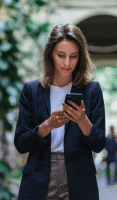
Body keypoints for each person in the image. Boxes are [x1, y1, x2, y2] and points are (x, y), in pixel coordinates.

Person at [14, 24, 106, 200]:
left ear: (80, 58)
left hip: (79, 179)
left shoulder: (92, 90)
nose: (66, 63)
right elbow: (20, 143)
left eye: (73, 56)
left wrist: (82, 121)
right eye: (61, 55)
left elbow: (99, 144)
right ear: (50, 54)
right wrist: (47, 125)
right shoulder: (31, 90)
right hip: (39, 176)